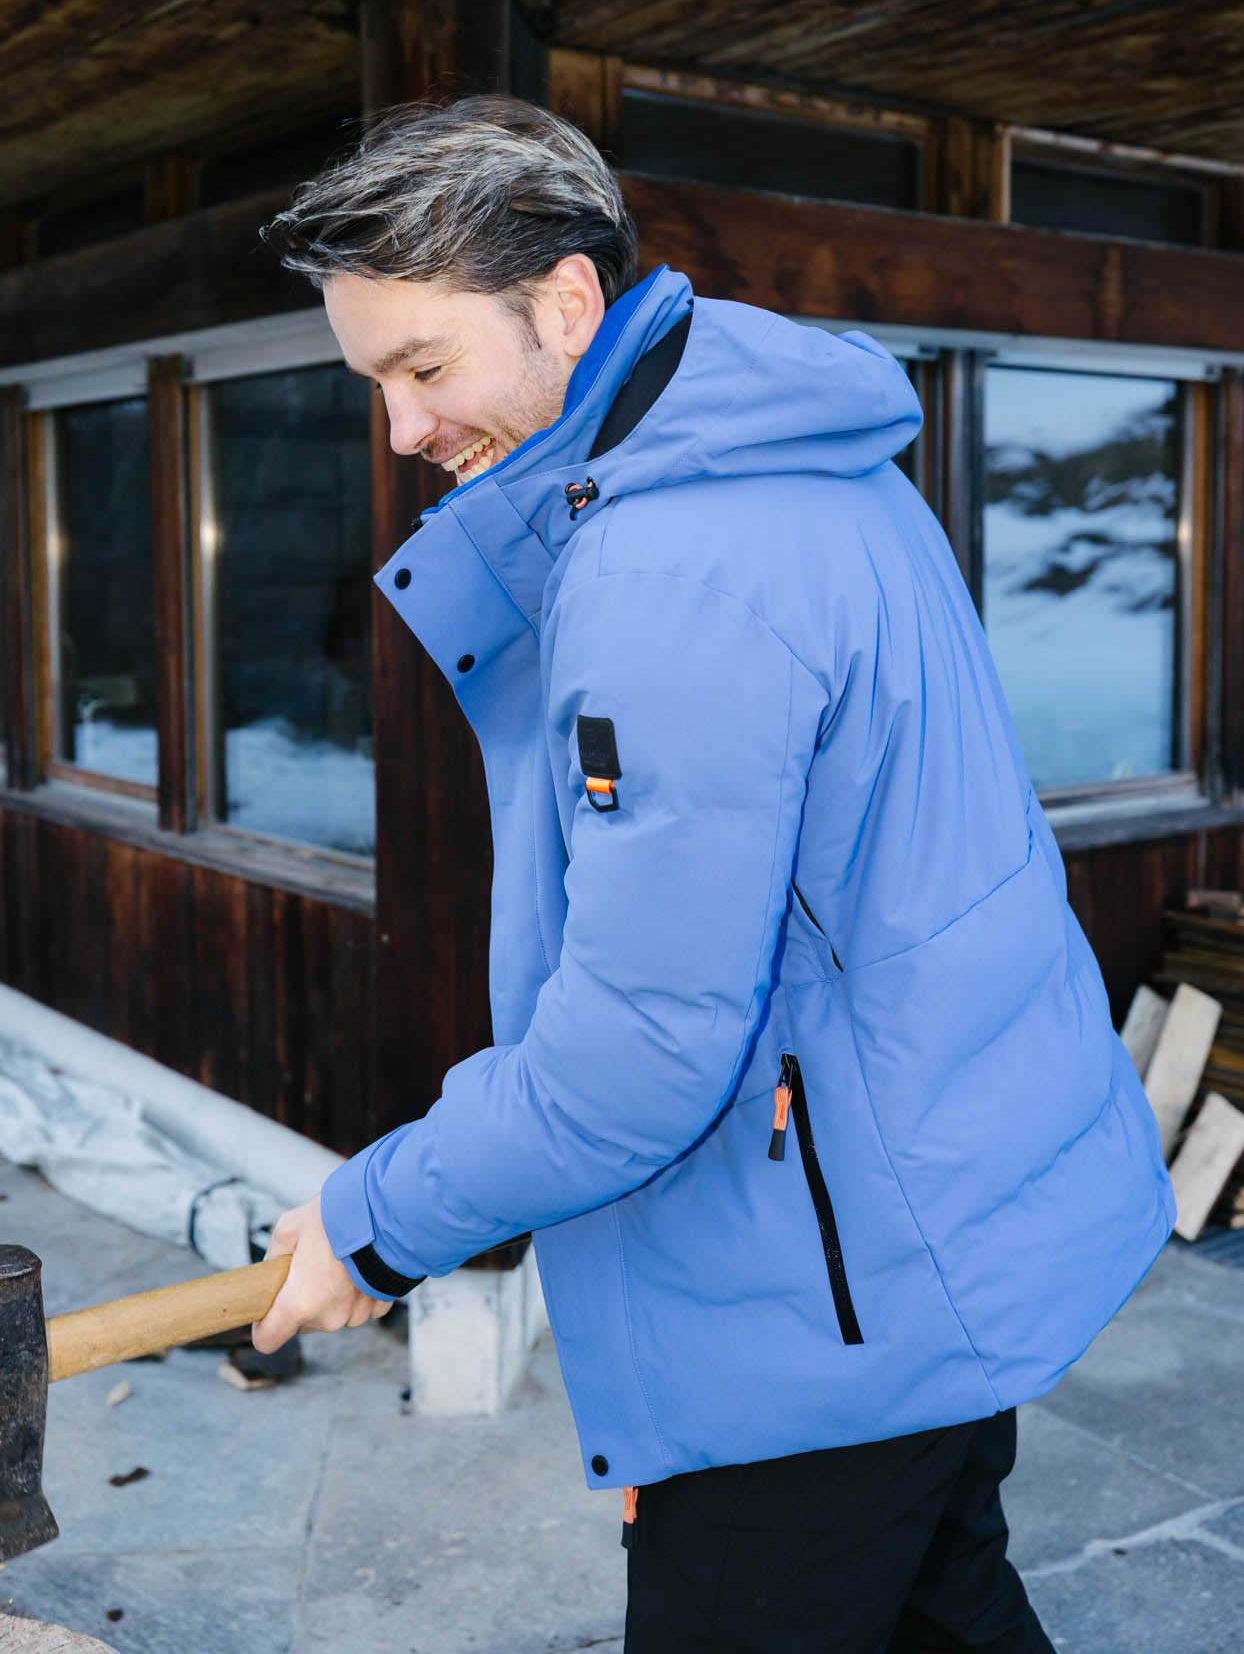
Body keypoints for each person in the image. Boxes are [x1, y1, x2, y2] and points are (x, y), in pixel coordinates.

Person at [253, 95, 1174, 1652]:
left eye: (422, 369)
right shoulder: (796, 458)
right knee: (945, 1606)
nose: (402, 431)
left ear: (563, 305)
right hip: (920, 1236)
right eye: (375, 382)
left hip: (821, 1305)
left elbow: (637, 1053)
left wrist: (375, 1220)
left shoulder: (670, 571)